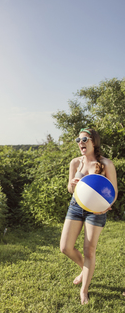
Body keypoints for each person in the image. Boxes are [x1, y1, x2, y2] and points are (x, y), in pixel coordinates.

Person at [60, 128, 118, 304]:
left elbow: (113, 192)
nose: (80, 142)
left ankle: (84, 290)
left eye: (84, 139)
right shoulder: (75, 163)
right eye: (78, 139)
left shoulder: (106, 164)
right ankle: (86, 269)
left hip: (96, 210)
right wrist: (72, 184)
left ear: (94, 141)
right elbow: (70, 189)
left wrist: (106, 206)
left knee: (89, 251)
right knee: (65, 247)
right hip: (76, 206)